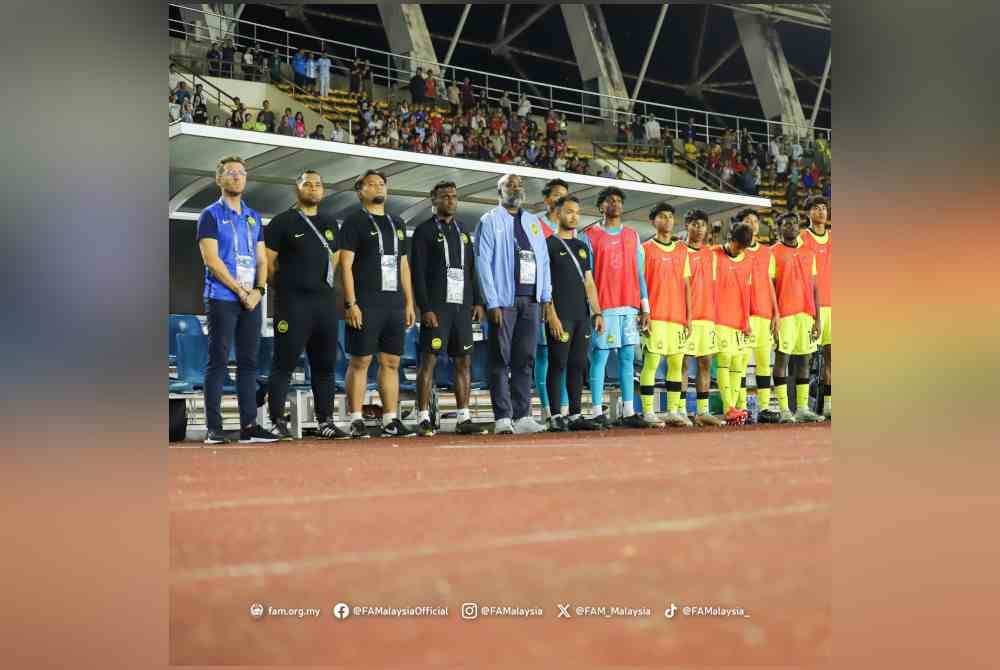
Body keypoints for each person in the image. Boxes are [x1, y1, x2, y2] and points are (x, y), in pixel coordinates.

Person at [262, 171, 349, 440]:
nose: (313, 188)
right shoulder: (281, 222)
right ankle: (276, 420)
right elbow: (267, 264)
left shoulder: (330, 223)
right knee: (284, 364)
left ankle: (325, 421)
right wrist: (289, 287)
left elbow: (333, 262)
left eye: (318, 184)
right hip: (292, 305)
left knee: (324, 365)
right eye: (307, 184)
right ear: (296, 189)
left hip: (324, 306)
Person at [195, 156, 276, 444]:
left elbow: (262, 260)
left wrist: (258, 290)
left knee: (249, 363)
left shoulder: (253, 217)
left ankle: (249, 427)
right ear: (219, 179)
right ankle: (214, 428)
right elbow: (212, 261)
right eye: (231, 173)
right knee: (217, 361)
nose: (237, 177)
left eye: (242, 173)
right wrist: (240, 291)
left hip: (251, 300)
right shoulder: (210, 215)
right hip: (221, 298)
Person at [339, 170, 417, 438]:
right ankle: (356, 418)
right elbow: (345, 265)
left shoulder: (398, 223)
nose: (377, 187)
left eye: (381, 183)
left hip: (394, 303)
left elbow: (404, 265)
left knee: (392, 361)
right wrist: (351, 303)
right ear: (360, 191)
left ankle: (390, 418)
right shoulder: (353, 222)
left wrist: (409, 302)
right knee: (361, 360)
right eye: (371, 184)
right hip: (366, 302)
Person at [474, 174, 551, 435]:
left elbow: (544, 261)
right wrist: (491, 301)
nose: (515, 188)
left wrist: (545, 296)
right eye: (510, 185)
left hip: (531, 301)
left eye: (519, 185)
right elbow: (482, 263)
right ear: (499, 190)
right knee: (500, 359)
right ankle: (502, 417)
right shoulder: (490, 220)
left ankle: (522, 415)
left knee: (525, 359)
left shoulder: (533, 223)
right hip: (504, 302)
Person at [409, 181, 488, 436]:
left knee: (464, 361)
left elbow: (471, 269)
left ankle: (463, 418)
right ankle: (423, 417)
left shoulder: (463, 231)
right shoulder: (423, 231)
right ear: (433, 199)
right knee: (428, 361)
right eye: (445, 196)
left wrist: (477, 300)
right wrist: (425, 308)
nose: (451, 200)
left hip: (462, 307)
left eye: (454, 196)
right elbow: (417, 274)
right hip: (437, 308)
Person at [581, 187, 653, 428]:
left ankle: (629, 411)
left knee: (627, 359)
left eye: (619, 201)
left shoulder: (633, 236)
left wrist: (646, 309)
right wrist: (594, 310)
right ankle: (594, 410)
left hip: (629, 306)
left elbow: (640, 274)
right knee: (600, 357)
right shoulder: (589, 236)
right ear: (601, 206)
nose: (615, 204)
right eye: (610, 200)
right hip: (605, 306)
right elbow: (587, 277)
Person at [544, 196, 603, 432]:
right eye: (569, 212)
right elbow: (545, 285)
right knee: (558, 363)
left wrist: (597, 312)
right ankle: (555, 415)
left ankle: (575, 414)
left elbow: (589, 282)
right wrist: (551, 315)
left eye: (577, 212)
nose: (574, 216)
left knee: (578, 364)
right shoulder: (548, 245)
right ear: (557, 214)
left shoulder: (581, 247)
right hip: (561, 314)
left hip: (581, 315)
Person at [638, 203, 693, 427]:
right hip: (656, 316)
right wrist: (644, 311)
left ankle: (672, 410)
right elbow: (639, 284)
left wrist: (688, 317)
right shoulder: (645, 248)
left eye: (671, 216)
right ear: (653, 221)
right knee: (651, 364)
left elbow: (687, 284)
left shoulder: (682, 249)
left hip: (677, 317)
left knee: (676, 364)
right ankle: (649, 412)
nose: (668, 220)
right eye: (662, 216)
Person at [771, 212, 824, 423]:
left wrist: (817, 318)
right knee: (782, 358)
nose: (792, 227)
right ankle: (784, 409)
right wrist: (774, 315)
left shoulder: (808, 252)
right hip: (784, 314)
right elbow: (770, 287)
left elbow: (814, 286)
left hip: (805, 314)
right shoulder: (773, 252)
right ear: (779, 228)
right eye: (787, 224)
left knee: (804, 359)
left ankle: (802, 408)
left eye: (794, 223)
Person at [532, 179, 571, 425]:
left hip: (566, 302)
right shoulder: (535, 225)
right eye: (557, 195)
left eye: (564, 196)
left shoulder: (571, 227)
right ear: (547, 199)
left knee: (562, 358)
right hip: (541, 300)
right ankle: (548, 410)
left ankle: (563, 409)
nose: (560, 200)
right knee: (544, 356)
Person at [680, 209, 724, 426]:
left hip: (707, 317)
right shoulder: (679, 250)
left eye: (702, 225)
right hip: (685, 316)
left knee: (705, 363)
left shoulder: (711, 254)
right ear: (687, 225)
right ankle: (678, 410)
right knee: (682, 364)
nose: (699, 229)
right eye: (694, 224)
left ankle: (702, 411)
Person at [738, 208, 782, 423]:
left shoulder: (767, 252)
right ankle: (740, 407)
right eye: (748, 220)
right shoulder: (737, 251)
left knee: (765, 364)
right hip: (742, 316)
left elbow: (771, 284)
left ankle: (764, 407)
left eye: (755, 221)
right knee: (741, 365)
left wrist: (776, 312)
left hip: (764, 314)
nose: (752, 224)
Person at [712, 222, 755, 425]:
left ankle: (734, 407)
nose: (739, 250)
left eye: (743, 247)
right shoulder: (714, 255)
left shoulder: (747, 260)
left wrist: (746, 320)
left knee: (739, 363)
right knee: (725, 360)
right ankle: (728, 407)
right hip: (719, 318)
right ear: (730, 238)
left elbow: (746, 293)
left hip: (739, 321)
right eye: (737, 245)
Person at [799, 195, 832, 418]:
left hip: (833, 305)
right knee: (805, 358)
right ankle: (803, 406)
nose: (821, 212)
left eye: (824, 208)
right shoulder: (802, 238)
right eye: (816, 208)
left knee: (832, 358)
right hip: (809, 307)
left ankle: (828, 405)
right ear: (808, 212)